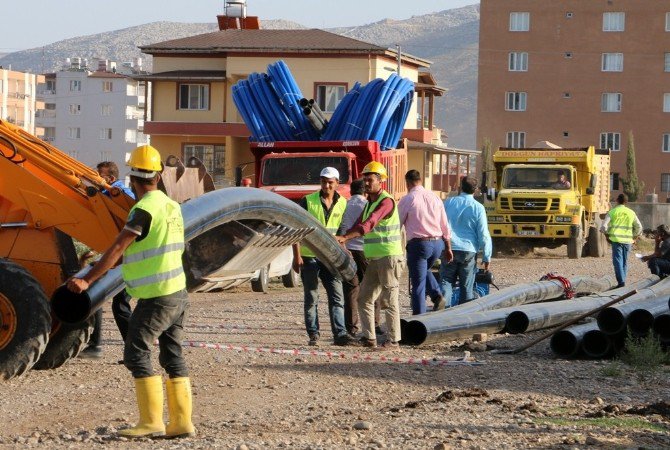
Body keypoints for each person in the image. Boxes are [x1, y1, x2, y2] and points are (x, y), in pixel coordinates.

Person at [67, 145, 195, 439]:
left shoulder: (143, 210)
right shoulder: (171, 206)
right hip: (177, 292)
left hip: (157, 296)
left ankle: (151, 422)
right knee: (172, 354)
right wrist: (100, 263)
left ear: (134, 179)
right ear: (158, 175)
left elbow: (119, 246)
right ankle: (181, 422)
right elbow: (143, 249)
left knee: (136, 352)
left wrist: (88, 280)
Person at [337, 162, 405, 350]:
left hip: (389, 257)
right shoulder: (370, 203)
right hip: (375, 258)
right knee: (364, 298)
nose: (367, 183)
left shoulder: (386, 201)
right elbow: (359, 224)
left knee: (389, 300)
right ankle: (370, 338)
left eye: (370, 179)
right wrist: (341, 238)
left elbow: (368, 225)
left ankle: (393, 340)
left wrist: (345, 237)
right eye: (365, 179)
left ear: (381, 181)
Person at [79, 161, 136, 359]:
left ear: (110, 179)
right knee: (104, 299)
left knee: (119, 304)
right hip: (119, 258)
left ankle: (133, 352)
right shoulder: (113, 195)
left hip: (125, 259)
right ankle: (96, 345)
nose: (95, 179)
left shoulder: (120, 196)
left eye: (98, 176)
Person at [293, 167, 355, 346]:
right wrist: (296, 256)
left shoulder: (344, 203)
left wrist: (345, 250)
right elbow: (297, 229)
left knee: (337, 297)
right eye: (323, 182)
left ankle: (340, 334)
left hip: (331, 258)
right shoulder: (308, 201)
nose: (326, 185)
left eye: (330, 182)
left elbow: (342, 232)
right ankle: (314, 333)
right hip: (309, 256)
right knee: (312, 297)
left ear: (336, 183)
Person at [398, 169, 452, 315]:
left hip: (419, 245)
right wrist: (448, 247)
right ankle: (436, 295)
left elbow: (397, 223)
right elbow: (444, 224)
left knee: (418, 284)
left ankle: (419, 318)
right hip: (437, 244)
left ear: (408, 183)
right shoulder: (435, 198)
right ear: (420, 181)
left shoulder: (408, 199)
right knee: (423, 270)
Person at [440, 176, 492, 307]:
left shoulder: (448, 202)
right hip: (468, 251)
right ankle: (463, 317)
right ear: (475, 190)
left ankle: (442, 312)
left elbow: (440, 224)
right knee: (466, 287)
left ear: (460, 188)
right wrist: (487, 257)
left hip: (449, 247)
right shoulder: (478, 207)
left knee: (446, 281)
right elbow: (483, 233)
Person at [601, 193, 642, 287]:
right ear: (626, 202)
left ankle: (621, 282)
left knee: (618, 261)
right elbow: (639, 227)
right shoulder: (631, 212)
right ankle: (623, 280)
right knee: (624, 261)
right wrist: (634, 236)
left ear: (617, 201)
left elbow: (604, 226)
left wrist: (607, 235)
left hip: (616, 240)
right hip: (628, 241)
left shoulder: (612, 212)